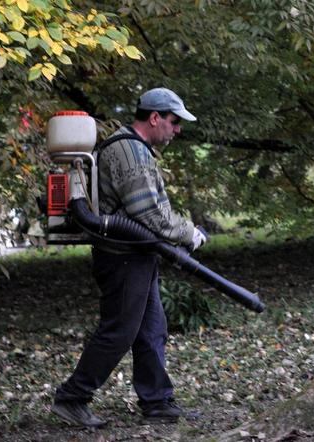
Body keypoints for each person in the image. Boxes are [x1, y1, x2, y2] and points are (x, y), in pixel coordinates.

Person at [51, 88, 207, 427]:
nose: (177, 129)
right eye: (174, 121)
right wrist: (189, 233)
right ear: (155, 118)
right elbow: (150, 215)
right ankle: (72, 397)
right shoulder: (130, 153)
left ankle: (157, 402)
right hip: (122, 258)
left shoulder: (134, 148)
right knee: (120, 330)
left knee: (152, 329)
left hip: (137, 255)